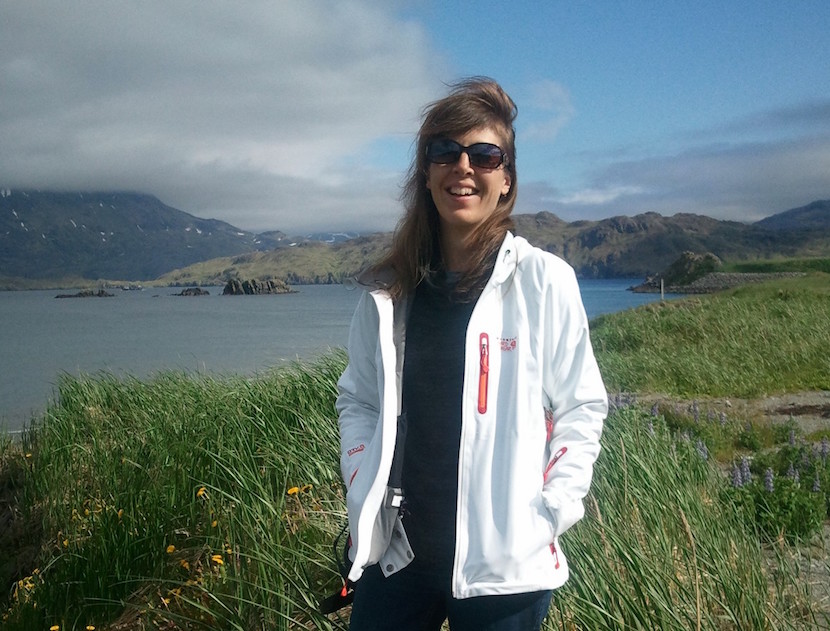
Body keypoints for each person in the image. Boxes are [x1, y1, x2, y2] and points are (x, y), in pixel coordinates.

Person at [336, 77, 607, 631]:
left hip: (505, 571)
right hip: (397, 557)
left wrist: (550, 513)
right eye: (445, 151)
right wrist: (361, 475)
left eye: (485, 155)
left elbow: (582, 407)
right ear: (426, 173)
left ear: (506, 179)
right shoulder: (390, 292)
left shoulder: (544, 281)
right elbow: (357, 398)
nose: (464, 167)